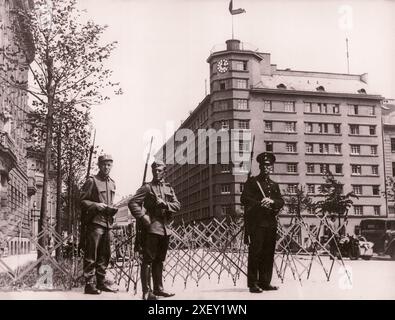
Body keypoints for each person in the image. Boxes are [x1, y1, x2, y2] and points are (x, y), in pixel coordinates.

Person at [128, 160, 181, 300]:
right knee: (148, 260)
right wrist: (143, 216)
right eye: (154, 170)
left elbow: (177, 205)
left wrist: (166, 204)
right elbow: (132, 202)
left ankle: (158, 288)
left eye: (159, 170)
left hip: (165, 229)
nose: (156, 173)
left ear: (165, 172)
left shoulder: (169, 188)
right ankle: (146, 291)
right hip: (152, 228)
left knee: (160, 260)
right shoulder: (147, 188)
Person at [240, 152, 284, 293]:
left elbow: (280, 201)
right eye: (264, 165)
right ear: (260, 166)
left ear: (272, 167)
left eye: (269, 165)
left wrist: (272, 202)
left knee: (268, 253)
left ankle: (265, 282)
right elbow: (244, 199)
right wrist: (260, 203)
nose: (267, 168)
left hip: (270, 223)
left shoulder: (274, 185)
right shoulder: (252, 182)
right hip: (257, 223)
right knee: (255, 253)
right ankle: (253, 283)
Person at [80, 154, 119, 294]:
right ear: (99, 165)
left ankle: (101, 282)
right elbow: (82, 201)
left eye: (109, 165)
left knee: (105, 254)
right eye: (104, 164)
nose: (106, 167)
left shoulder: (113, 183)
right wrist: (97, 205)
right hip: (95, 223)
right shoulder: (92, 181)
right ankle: (89, 284)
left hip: (108, 223)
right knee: (92, 254)